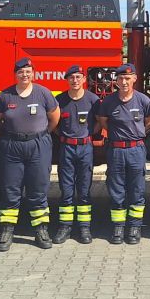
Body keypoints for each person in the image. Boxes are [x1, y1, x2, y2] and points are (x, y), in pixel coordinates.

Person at [0, 57, 60, 251]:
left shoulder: (43, 93)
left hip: (38, 145)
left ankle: (40, 230)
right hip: (11, 146)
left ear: (33, 73)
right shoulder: (5, 96)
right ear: (15, 75)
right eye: (21, 72)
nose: (25, 75)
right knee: (10, 190)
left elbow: (54, 118)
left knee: (38, 190)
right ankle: (6, 231)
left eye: (28, 71)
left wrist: (41, 135)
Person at [96, 63, 150, 245]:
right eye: (120, 78)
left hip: (136, 149)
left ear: (134, 79)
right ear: (116, 81)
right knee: (116, 188)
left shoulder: (144, 100)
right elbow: (103, 122)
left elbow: (148, 121)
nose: (124, 81)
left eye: (128, 78)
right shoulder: (109, 102)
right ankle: (118, 227)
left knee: (137, 189)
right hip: (116, 150)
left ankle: (135, 227)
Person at [52, 65, 100, 245]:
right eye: (71, 77)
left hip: (85, 147)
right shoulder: (60, 100)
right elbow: (54, 123)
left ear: (84, 79)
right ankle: (65, 227)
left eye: (78, 77)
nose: (75, 80)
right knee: (66, 189)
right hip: (67, 148)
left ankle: (84, 227)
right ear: (67, 80)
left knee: (84, 189)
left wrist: (87, 135)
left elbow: (99, 123)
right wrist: (65, 137)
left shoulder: (93, 100)